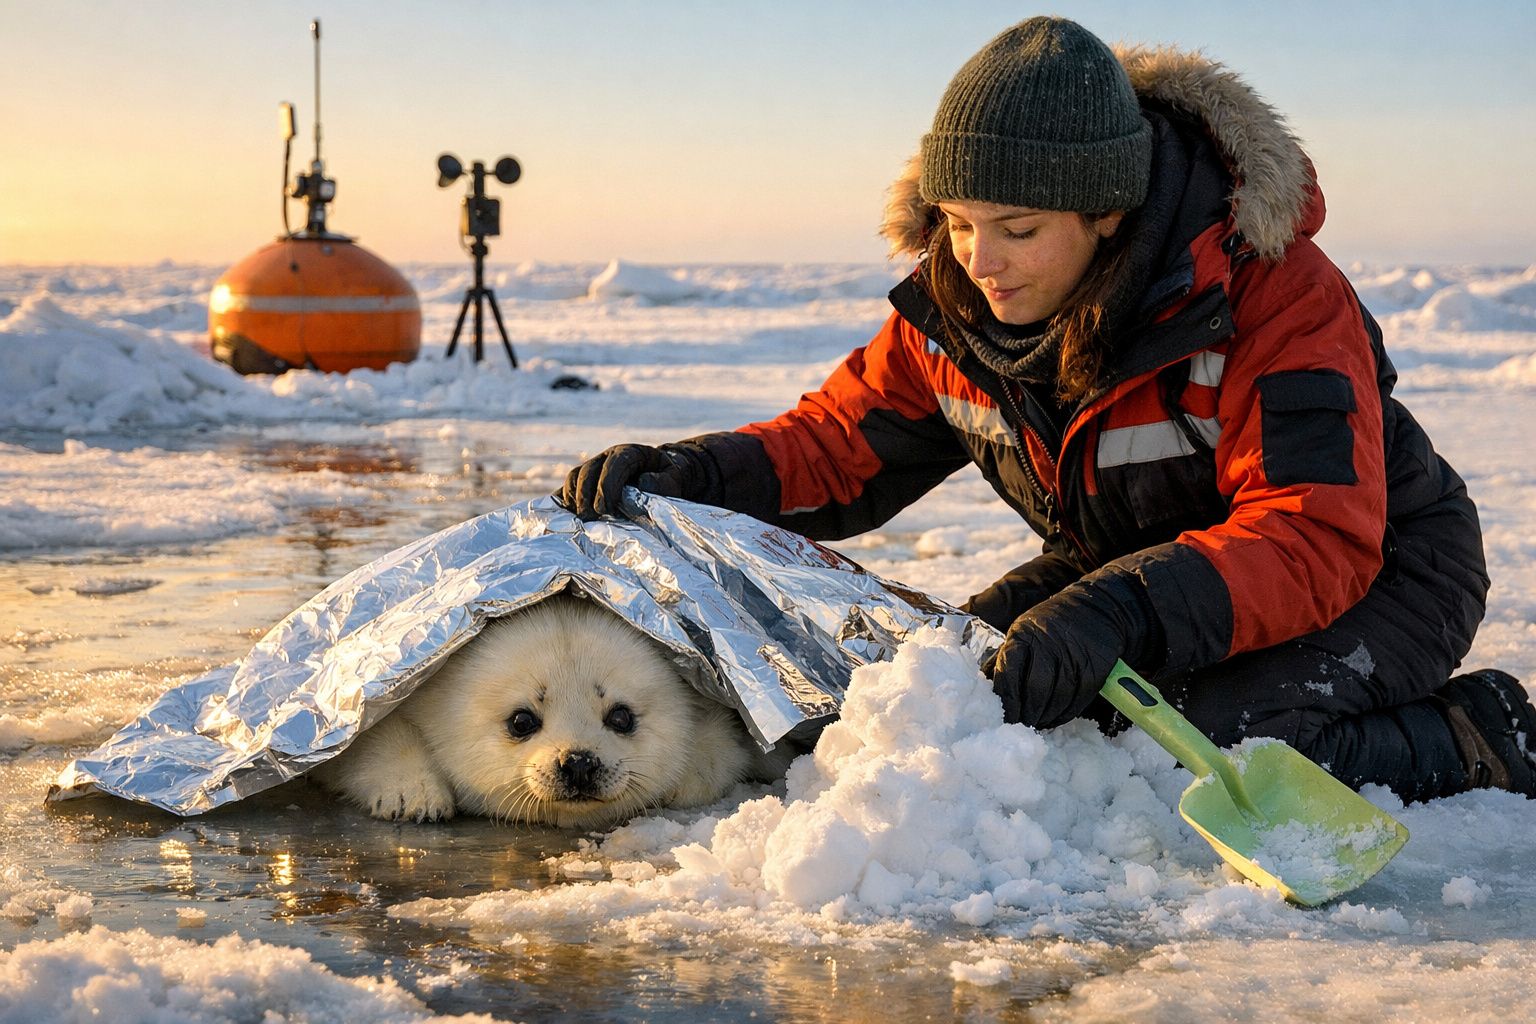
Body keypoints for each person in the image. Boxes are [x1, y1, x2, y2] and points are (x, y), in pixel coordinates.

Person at [558, 16, 1536, 802]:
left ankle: (1476, 735)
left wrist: (1121, 610)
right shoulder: (956, 311)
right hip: (1126, 568)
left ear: (1106, 211)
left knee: (1198, 742)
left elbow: (1313, 531)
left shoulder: (1272, 298)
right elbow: (839, 445)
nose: (980, 263)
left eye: (1017, 230)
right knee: (955, 690)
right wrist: (695, 472)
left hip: (1383, 570)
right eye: (958, 224)